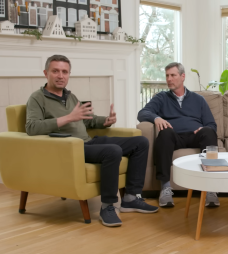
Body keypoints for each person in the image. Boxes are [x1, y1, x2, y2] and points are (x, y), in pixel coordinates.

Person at [26, 55, 158, 227]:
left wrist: (106, 121)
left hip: (88, 143)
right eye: (55, 71)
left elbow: (86, 120)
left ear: (69, 74)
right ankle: (107, 206)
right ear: (46, 73)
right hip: (69, 148)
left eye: (64, 72)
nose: (60, 76)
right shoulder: (37, 98)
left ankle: (131, 198)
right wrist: (68, 118)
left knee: (140, 142)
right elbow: (32, 127)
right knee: (113, 151)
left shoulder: (70, 96)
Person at [137, 62, 219, 208]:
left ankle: (210, 188)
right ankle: (166, 188)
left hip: (195, 136)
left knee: (208, 132)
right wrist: (156, 118)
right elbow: (142, 113)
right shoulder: (161, 98)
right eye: (167, 75)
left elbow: (212, 125)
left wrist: (202, 129)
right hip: (174, 137)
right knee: (165, 133)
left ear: (182, 77)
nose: (169, 79)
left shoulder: (198, 99)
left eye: (173, 75)